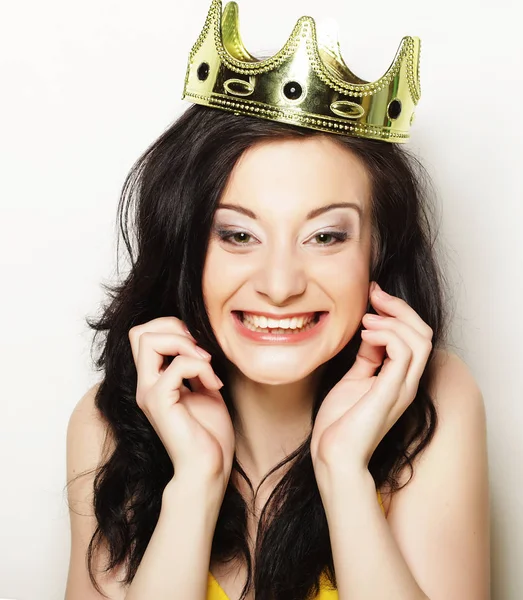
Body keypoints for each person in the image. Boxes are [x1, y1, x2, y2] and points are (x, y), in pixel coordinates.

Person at [65, 1, 490, 599]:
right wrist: (196, 480)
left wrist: (343, 473)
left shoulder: (436, 399)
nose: (281, 283)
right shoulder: (109, 419)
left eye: (325, 236)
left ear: (378, 252)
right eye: (238, 235)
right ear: (187, 246)